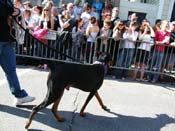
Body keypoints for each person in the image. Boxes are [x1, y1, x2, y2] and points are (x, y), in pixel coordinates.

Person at [0, 0, 35, 106]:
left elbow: (16, 11)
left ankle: (20, 96)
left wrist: (15, 11)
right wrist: (14, 11)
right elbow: (7, 11)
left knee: (11, 69)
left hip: (7, 39)